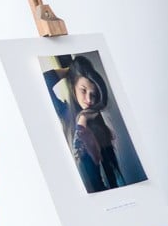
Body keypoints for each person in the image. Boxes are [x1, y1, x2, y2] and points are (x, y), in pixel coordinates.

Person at [43, 55, 125, 193]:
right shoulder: (64, 112)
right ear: (73, 87)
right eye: (83, 90)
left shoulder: (97, 124)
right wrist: (71, 71)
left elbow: (106, 176)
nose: (88, 99)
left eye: (93, 94)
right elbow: (44, 80)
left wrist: (84, 119)